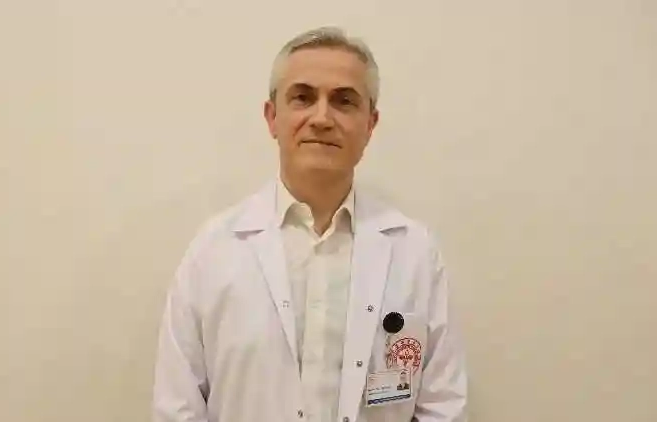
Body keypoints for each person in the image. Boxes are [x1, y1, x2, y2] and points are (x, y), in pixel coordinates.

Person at [152, 26, 467, 422]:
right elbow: (177, 407)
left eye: (344, 101)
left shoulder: (415, 253)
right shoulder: (213, 251)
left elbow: (442, 406)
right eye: (302, 97)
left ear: (370, 124)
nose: (322, 118)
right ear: (272, 117)